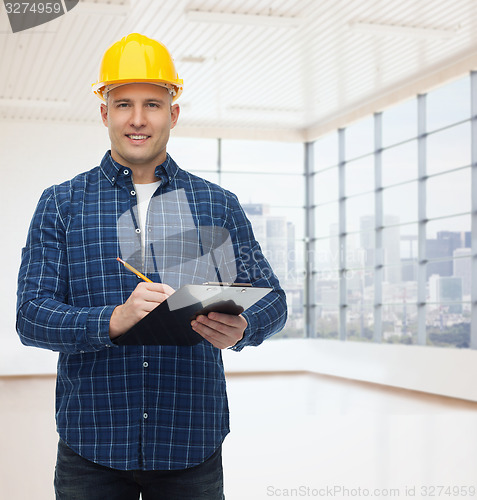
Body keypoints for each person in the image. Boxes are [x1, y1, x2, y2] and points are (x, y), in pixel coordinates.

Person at [16, 33, 287, 500]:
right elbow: (31, 316)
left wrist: (242, 327)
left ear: (173, 113)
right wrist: (114, 319)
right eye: (123, 104)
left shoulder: (216, 205)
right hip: (92, 443)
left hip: (190, 444)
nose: (137, 119)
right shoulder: (62, 204)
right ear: (104, 112)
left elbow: (272, 300)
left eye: (153, 105)